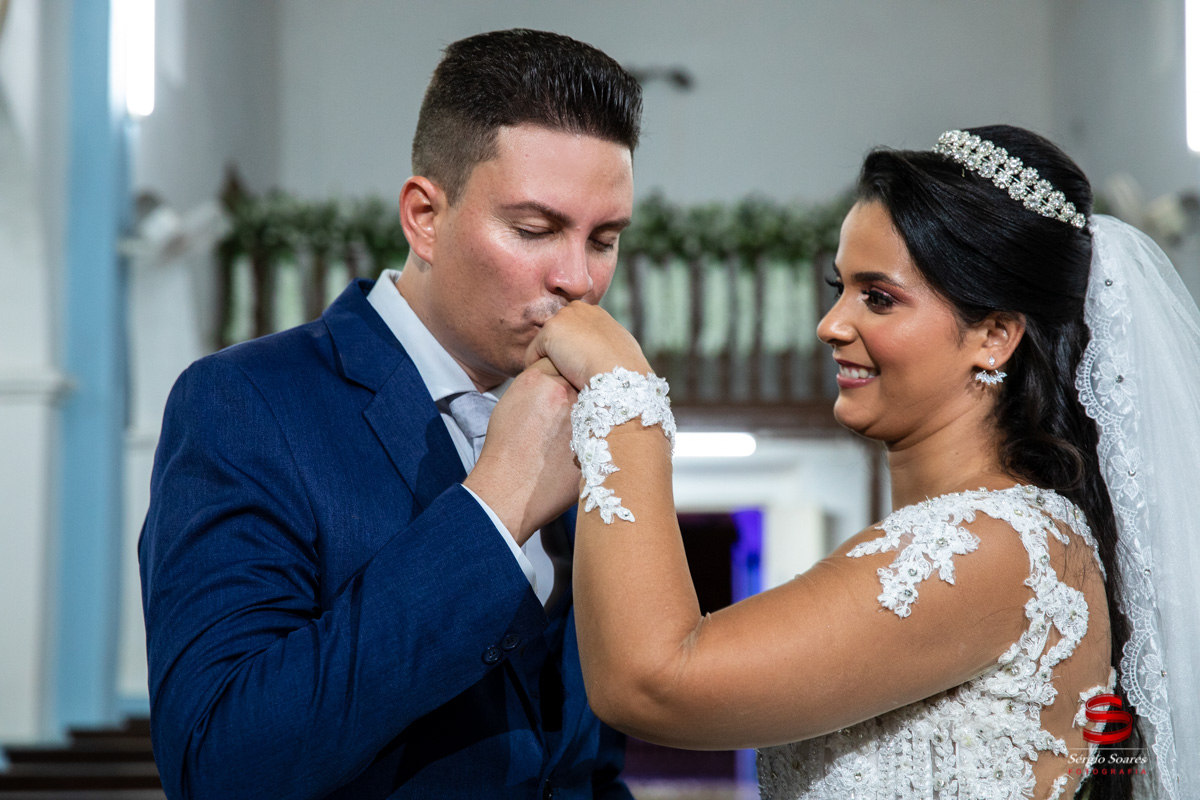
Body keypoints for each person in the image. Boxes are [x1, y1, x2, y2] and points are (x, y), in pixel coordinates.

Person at [521, 125, 1199, 799]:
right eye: (838, 286)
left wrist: (623, 394)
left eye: (878, 297)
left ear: (993, 336)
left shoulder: (1002, 548)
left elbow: (653, 682)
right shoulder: (976, 538)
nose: (831, 324)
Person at [139, 28, 641, 799]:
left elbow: (580, 765)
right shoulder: (246, 404)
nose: (578, 279)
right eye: (535, 230)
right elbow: (220, 765)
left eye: (603, 239)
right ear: (424, 217)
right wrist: (496, 505)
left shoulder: (575, 422)